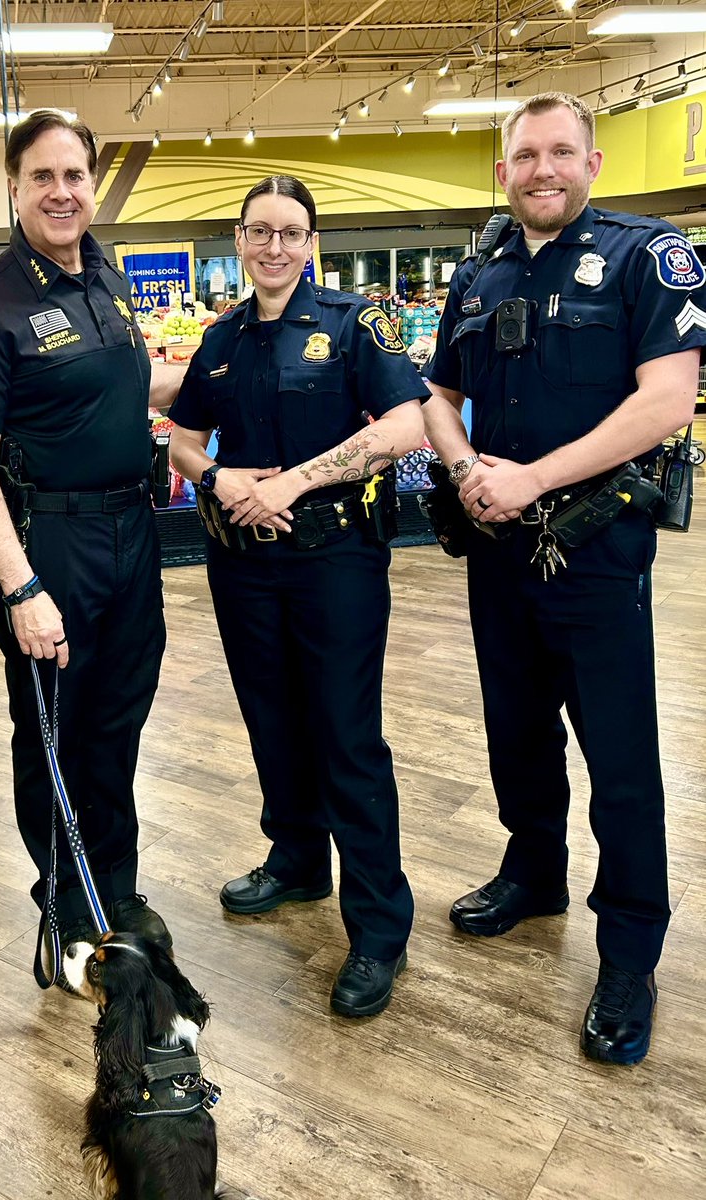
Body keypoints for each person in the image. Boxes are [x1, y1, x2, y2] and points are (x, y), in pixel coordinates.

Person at [423, 92, 704, 1065]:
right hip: (495, 551)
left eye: (557, 152)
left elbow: (666, 400)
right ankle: (531, 872)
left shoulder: (644, 257)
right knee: (516, 734)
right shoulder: (476, 270)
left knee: (620, 764)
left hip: (594, 548)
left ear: (591, 163)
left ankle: (628, 951)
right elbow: (437, 397)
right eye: (522, 156)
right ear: (502, 171)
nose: (539, 169)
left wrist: (532, 477)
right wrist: (464, 472)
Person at [168, 175, 426, 1018]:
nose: (272, 247)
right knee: (271, 722)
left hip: (335, 562)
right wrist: (219, 474)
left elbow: (402, 428)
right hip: (241, 565)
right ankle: (296, 862)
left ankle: (379, 926)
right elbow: (181, 436)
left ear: (310, 242)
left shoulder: (355, 327)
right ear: (238, 242)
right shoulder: (219, 339)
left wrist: (294, 485)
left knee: (346, 736)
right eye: (256, 232)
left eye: (288, 232)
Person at [0, 111, 184, 974]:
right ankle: (66, 911)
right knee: (53, 733)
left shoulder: (104, 279)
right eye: (41, 176)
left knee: (117, 723)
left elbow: (126, 384)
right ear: (13, 188)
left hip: (131, 532)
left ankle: (116, 884)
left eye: (74, 174)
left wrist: (228, 369)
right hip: (53, 546)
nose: (62, 191)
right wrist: (20, 589)